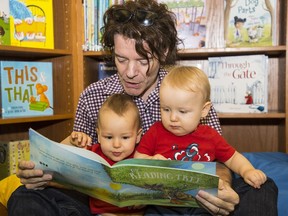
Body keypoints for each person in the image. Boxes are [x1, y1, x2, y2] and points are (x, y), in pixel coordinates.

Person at [8, 0, 278, 216]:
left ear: (162, 52)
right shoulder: (93, 95)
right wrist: (43, 172)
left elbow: (218, 158)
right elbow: (75, 160)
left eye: (143, 60)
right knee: (25, 195)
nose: (131, 72)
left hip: (172, 203)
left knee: (262, 188)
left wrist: (223, 191)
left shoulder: (185, 92)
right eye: (121, 59)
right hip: (104, 204)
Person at [134, 65, 267, 191]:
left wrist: (247, 171)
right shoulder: (156, 131)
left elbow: (232, 158)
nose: (173, 118)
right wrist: (150, 161)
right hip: (164, 197)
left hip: (201, 199)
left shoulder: (210, 136)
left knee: (263, 187)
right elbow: (138, 157)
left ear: (204, 110)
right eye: (166, 109)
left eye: (183, 111)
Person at [71, 93, 144, 216]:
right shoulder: (92, 154)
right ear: (98, 135)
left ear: (138, 136)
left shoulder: (142, 156)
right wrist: (75, 141)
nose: (116, 144)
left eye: (125, 137)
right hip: (103, 213)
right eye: (109, 137)